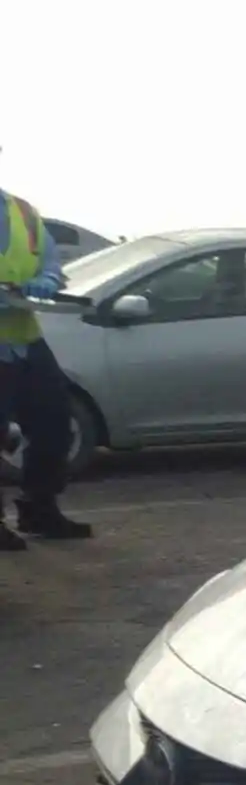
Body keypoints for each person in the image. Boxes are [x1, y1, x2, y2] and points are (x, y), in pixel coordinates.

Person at [0, 183, 91, 549]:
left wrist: (49, 279)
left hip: (24, 337)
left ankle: (40, 508)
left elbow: (49, 259)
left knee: (54, 423)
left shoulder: (21, 211)